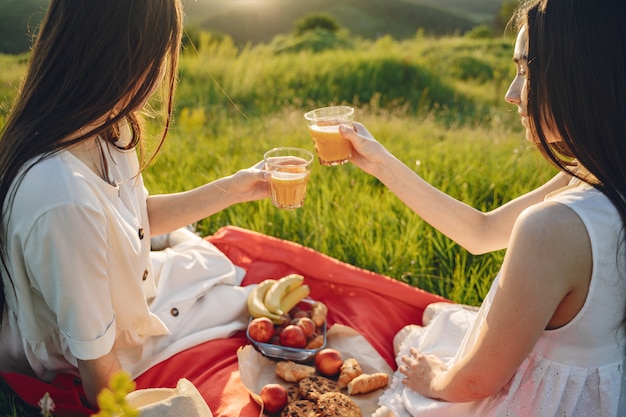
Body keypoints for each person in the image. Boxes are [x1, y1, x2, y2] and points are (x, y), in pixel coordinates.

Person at [339, 0, 625, 416]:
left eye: (526, 71)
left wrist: (431, 379)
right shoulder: (601, 172)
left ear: (582, 76)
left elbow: (476, 380)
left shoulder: (556, 226)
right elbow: (481, 232)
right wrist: (380, 162)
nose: (511, 94)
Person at [0, 0, 270, 407]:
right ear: (127, 57)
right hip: (94, 352)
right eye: (162, 53)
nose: (163, 70)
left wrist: (233, 189)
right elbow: (99, 372)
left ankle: (188, 254)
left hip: (131, 296)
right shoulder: (63, 200)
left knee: (224, 273)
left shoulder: (104, 125)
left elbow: (136, 218)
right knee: (241, 312)